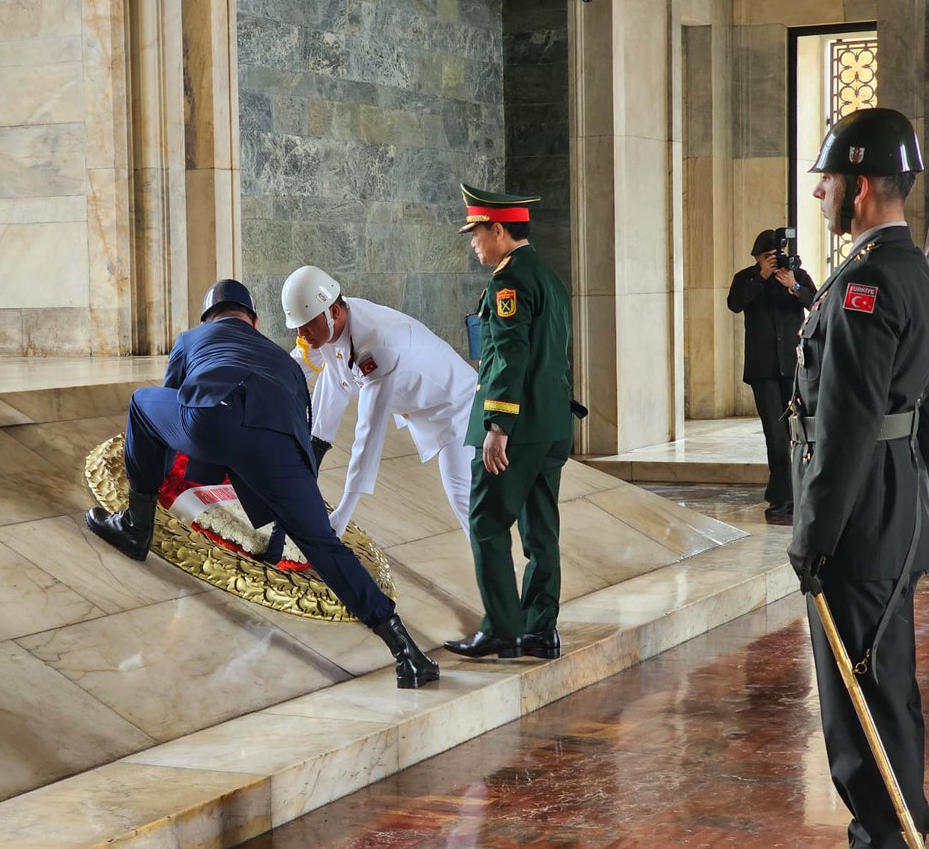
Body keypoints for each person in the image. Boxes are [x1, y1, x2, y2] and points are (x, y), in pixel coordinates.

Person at [84, 279, 439, 690]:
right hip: (281, 449)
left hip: (213, 419)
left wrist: (164, 477)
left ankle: (135, 527)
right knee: (324, 546)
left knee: (143, 406)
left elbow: (171, 410)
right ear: (253, 321)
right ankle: (406, 651)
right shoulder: (284, 361)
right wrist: (287, 512)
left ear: (207, 319)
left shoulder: (191, 338)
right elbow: (302, 434)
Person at [789, 107, 929, 846]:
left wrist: (811, 536)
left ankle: (888, 835)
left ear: (864, 185)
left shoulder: (868, 284)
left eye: (831, 181)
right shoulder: (912, 267)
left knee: (861, 697)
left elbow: (844, 426)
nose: (823, 195)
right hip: (894, 499)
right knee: (886, 682)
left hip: (858, 514)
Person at [443, 183, 577, 661]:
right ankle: (541, 629)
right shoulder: (547, 276)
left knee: (486, 522)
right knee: (541, 531)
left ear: (497, 230)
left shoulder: (508, 282)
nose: (473, 241)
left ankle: (502, 627)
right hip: (553, 423)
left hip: (516, 430)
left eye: (476, 232)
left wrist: (498, 426)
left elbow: (508, 356)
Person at [278, 264, 478, 541]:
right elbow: (306, 371)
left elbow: (369, 432)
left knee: (462, 494)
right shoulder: (328, 328)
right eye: (297, 327)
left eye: (306, 326)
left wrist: (343, 513)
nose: (301, 334)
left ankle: (497, 576)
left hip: (457, 404)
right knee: (469, 494)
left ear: (333, 312)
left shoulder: (377, 342)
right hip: (422, 405)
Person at [727, 229, 817, 524]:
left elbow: (816, 305)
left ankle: (794, 496)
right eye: (766, 257)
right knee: (775, 437)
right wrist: (761, 277)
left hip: (794, 369)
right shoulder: (746, 279)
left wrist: (793, 287)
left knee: (796, 434)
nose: (773, 262)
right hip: (763, 369)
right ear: (756, 257)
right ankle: (781, 498)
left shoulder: (797, 275)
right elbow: (735, 303)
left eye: (775, 256)